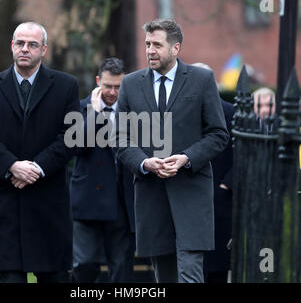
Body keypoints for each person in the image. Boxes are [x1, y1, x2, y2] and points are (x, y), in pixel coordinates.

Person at [116, 18, 229, 283]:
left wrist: (187, 158)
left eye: (157, 44)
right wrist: (145, 163)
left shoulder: (202, 80)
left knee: (190, 271)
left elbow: (218, 134)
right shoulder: (131, 84)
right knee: (164, 275)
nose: (150, 50)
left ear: (176, 48)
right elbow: (119, 137)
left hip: (191, 191)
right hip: (151, 193)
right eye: (147, 44)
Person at [0, 22, 80, 283]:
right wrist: (12, 166)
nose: (25, 49)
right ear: (11, 46)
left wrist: (36, 168)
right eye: (20, 43)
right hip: (9, 200)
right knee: (11, 278)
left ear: (44, 50)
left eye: (32, 45)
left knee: (55, 277)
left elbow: (71, 137)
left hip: (49, 202)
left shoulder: (66, 86)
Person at [70, 58, 135, 283]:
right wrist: (95, 115)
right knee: (84, 265)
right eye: (108, 86)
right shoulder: (79, 108)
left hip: (121, 201)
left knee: (121, 267)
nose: (112, 92)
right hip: (89, 198)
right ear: (98, 81)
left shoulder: (133, 110)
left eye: (118, 87)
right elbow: (78, 146)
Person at [192, 63, 234, 284]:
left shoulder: (231, 111)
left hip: (219, 197)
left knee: (218, 267)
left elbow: (244, 155)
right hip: (188, 195)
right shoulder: (179, 110)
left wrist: (227, 184)